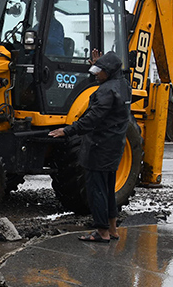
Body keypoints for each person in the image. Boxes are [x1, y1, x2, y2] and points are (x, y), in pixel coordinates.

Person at [48, 51, 131, 243]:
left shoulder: (105, 91)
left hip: (99, 147)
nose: (95, 74)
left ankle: (101, 232)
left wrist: (67, 131)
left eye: (99, 71)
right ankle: (112, 229)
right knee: (108, 189)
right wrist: (99, 63)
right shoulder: (124, 86)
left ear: (108, 73)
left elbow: (91, 119)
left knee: (96, 191)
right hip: (114, 147)